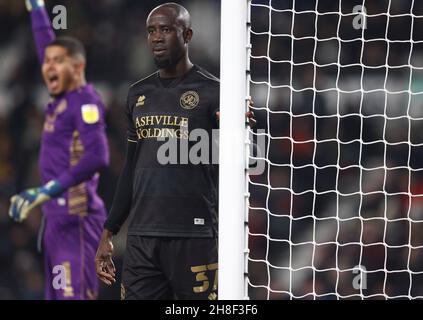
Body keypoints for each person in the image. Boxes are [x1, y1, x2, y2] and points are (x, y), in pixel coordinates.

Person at [95, 2, 222, 300]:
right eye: (152, 30)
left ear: (187, 34)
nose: (156, 37)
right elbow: (131, 169)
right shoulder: (138, 94)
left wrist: (240, 126)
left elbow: (241, 158)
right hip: (142, 237)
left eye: (166, 29)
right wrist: (108, 232)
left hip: (194, 235)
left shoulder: (214, 92)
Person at [9, 0, 109, 300]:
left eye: (57, 61)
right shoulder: (62, 98)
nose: (48, 65)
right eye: (46, 61)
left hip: (76, 220)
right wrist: (37, 9)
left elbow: (98, 156)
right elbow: (46, 46)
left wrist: (46, 190)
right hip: (56, 220)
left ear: (77, 67)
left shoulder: (86, 103)